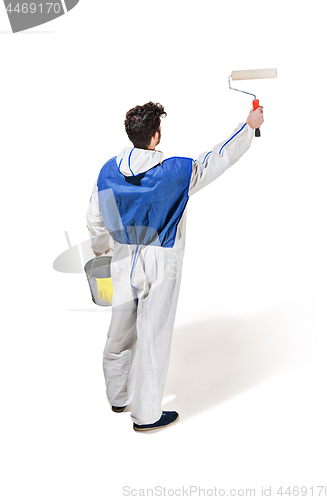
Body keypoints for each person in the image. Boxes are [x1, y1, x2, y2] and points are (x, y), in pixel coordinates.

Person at [86, 101, 264, 431]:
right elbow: (218, 159)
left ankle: (118, 397)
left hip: (123, 258)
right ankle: (147, 416)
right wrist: (248, 126)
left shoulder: (107, 170)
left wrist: (101, 251)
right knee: (153, 336)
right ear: (155, 136)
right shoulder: (177, 172)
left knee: (119, 333)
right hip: (161, 259)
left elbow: (94, 220)